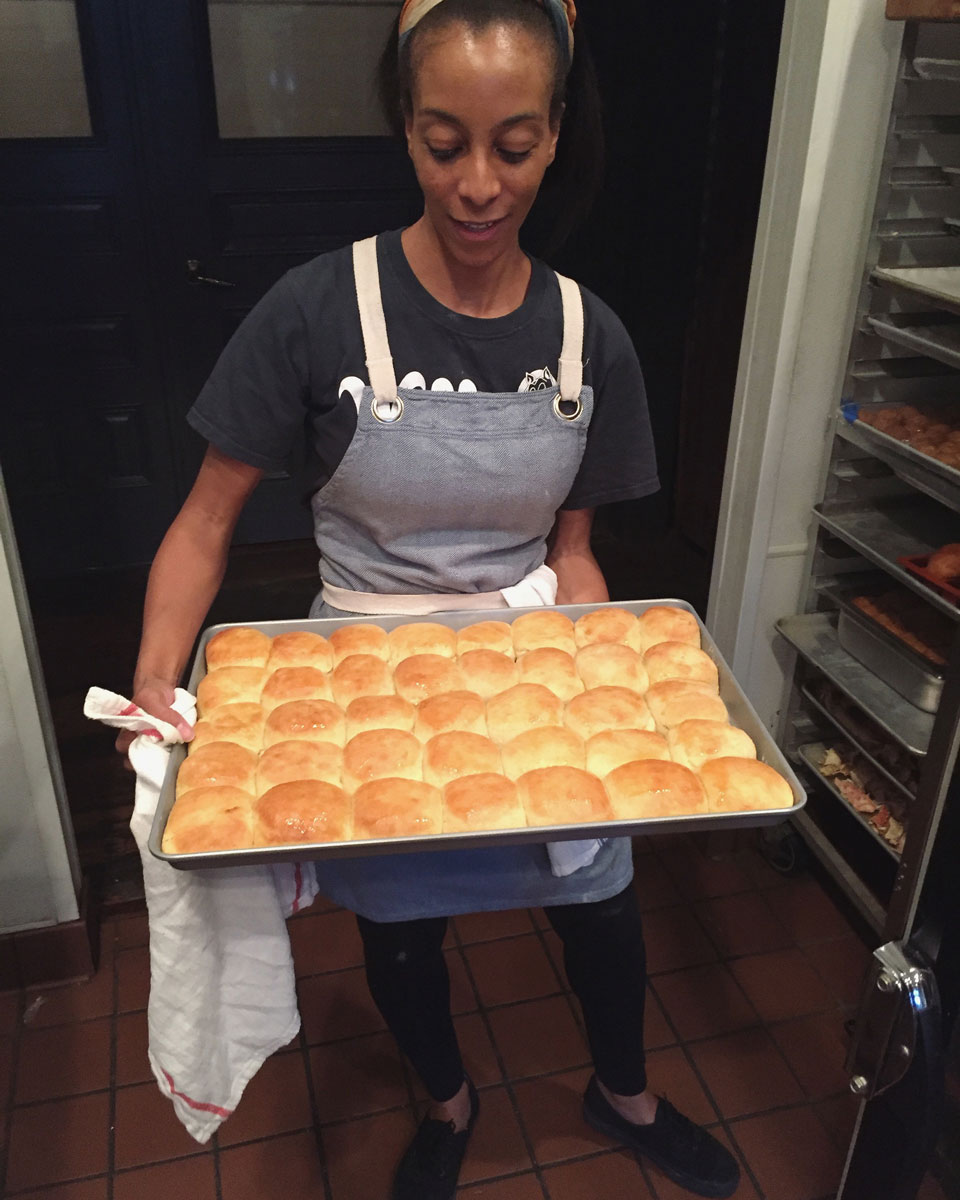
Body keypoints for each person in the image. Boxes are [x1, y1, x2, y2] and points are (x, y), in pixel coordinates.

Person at [119, 2, 740, 1196]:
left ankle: (625, 1091)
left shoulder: (585, 335)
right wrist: (157, 685)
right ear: (405, 132)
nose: (476, 185)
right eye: (444, 142)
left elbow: (577, 551)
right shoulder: (314, 309)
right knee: (400, 926)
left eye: (512, 146)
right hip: (364, 679)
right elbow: (202, 523)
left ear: (556, 136)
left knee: (601, 901)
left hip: (524, 660)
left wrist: (597, 675)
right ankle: (448, 1106)